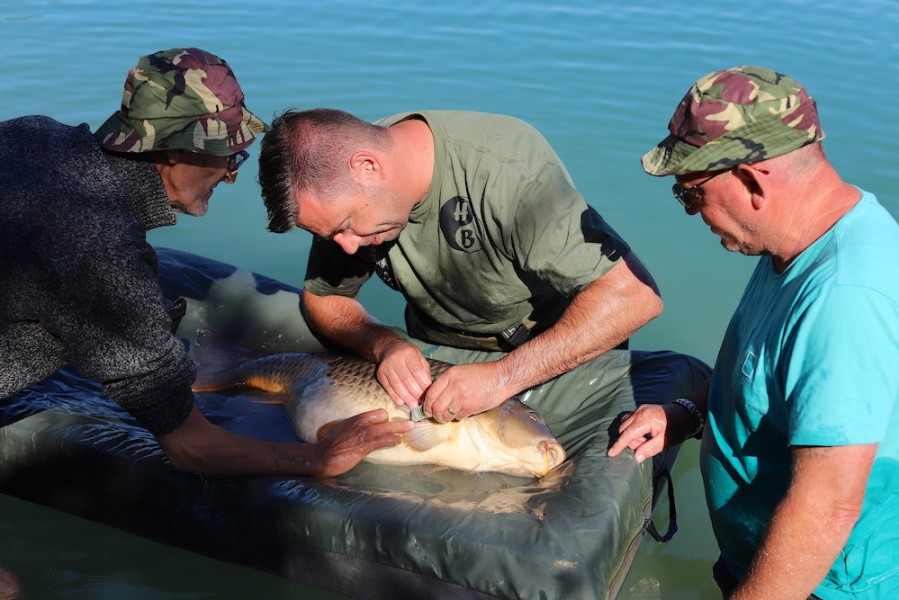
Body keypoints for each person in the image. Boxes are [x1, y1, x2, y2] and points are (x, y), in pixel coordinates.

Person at [0, 47, 412, 480]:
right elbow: (192, 448)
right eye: (229, 156)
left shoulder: (33, 134)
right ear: (175, 152)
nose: (231, 174)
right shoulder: (103, 254)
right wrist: (319, 458)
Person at [608, 66, 899, 599]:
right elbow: (769, 368)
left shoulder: (845, 295)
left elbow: (829, 505)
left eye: (690, 195)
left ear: (751, 180)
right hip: (759, 555)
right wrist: (689, 412)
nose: (692, 213)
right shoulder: (797, 243)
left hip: (821, 585)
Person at [257, 108, 662, 423]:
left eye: (346, 227)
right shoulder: (335, 182)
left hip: (543, 356)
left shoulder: (507, 171)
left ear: (369, 167)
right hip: (434, 355)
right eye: (331, 236)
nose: (346, 248)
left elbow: (633, 297)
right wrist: (383, 343)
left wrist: (503, 377)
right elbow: (323, 299)